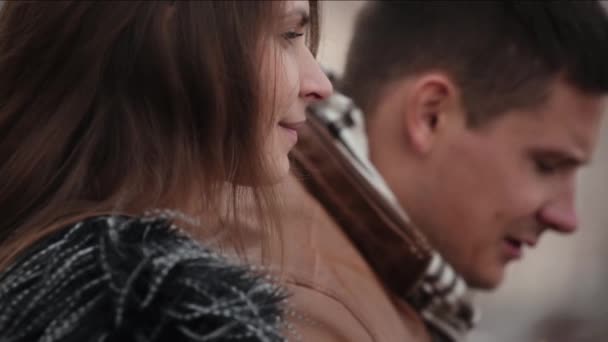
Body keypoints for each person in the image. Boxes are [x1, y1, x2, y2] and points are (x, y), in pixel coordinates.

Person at [262, 1, 608, 341]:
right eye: (546, 165)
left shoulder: (354, 295)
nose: (567, 218)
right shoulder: (304, 306)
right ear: (431, 115)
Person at [0, 0, 331, 340]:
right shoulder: (162, 313)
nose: (320, 84)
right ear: (167, 41)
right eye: (288, 34)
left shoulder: (43, 265)